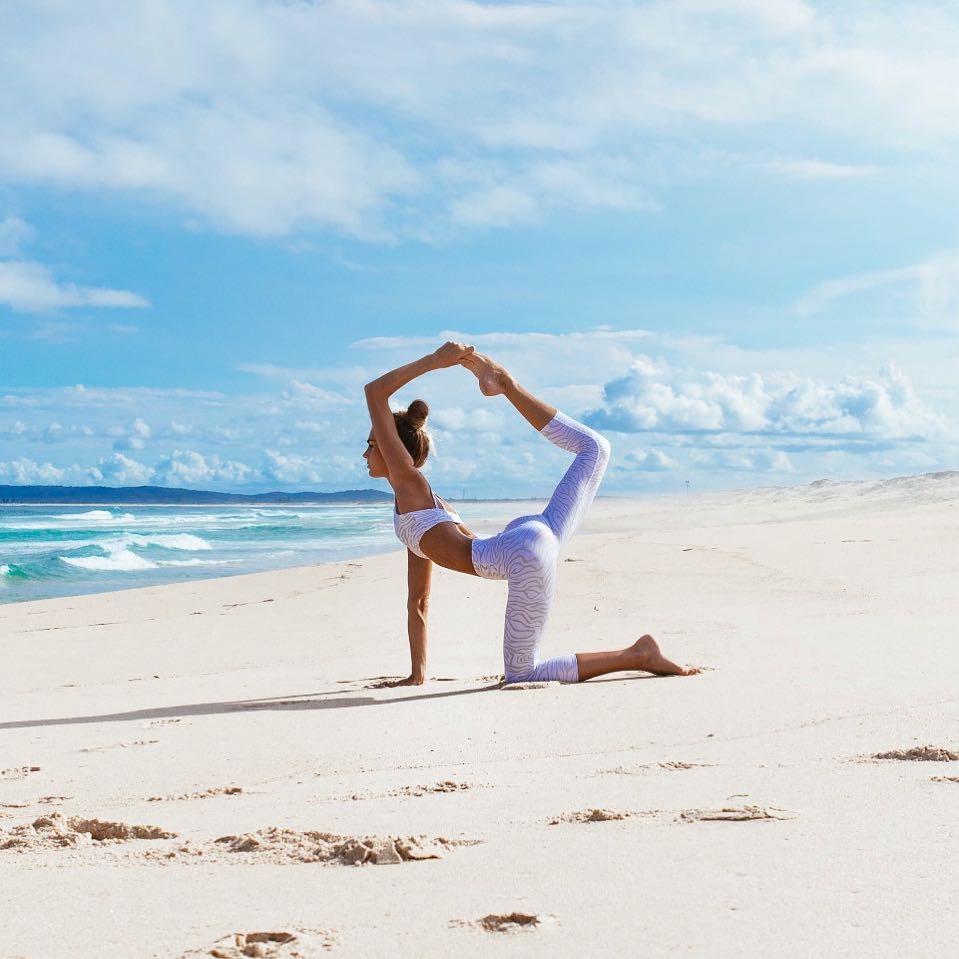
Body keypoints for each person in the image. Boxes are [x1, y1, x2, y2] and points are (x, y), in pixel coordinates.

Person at [363, 341, 698, 687]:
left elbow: (374, 393)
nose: (365, 453)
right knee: (595, 449)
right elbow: (418, 601)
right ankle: (504, 384)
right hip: (531, 535)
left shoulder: (410, 484)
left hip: (520, 554)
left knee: (522, 675)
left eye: (372, 444)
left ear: (394, 450)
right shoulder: (411, 507)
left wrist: (435, 361)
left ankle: (639, 655)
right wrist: (417, 674)